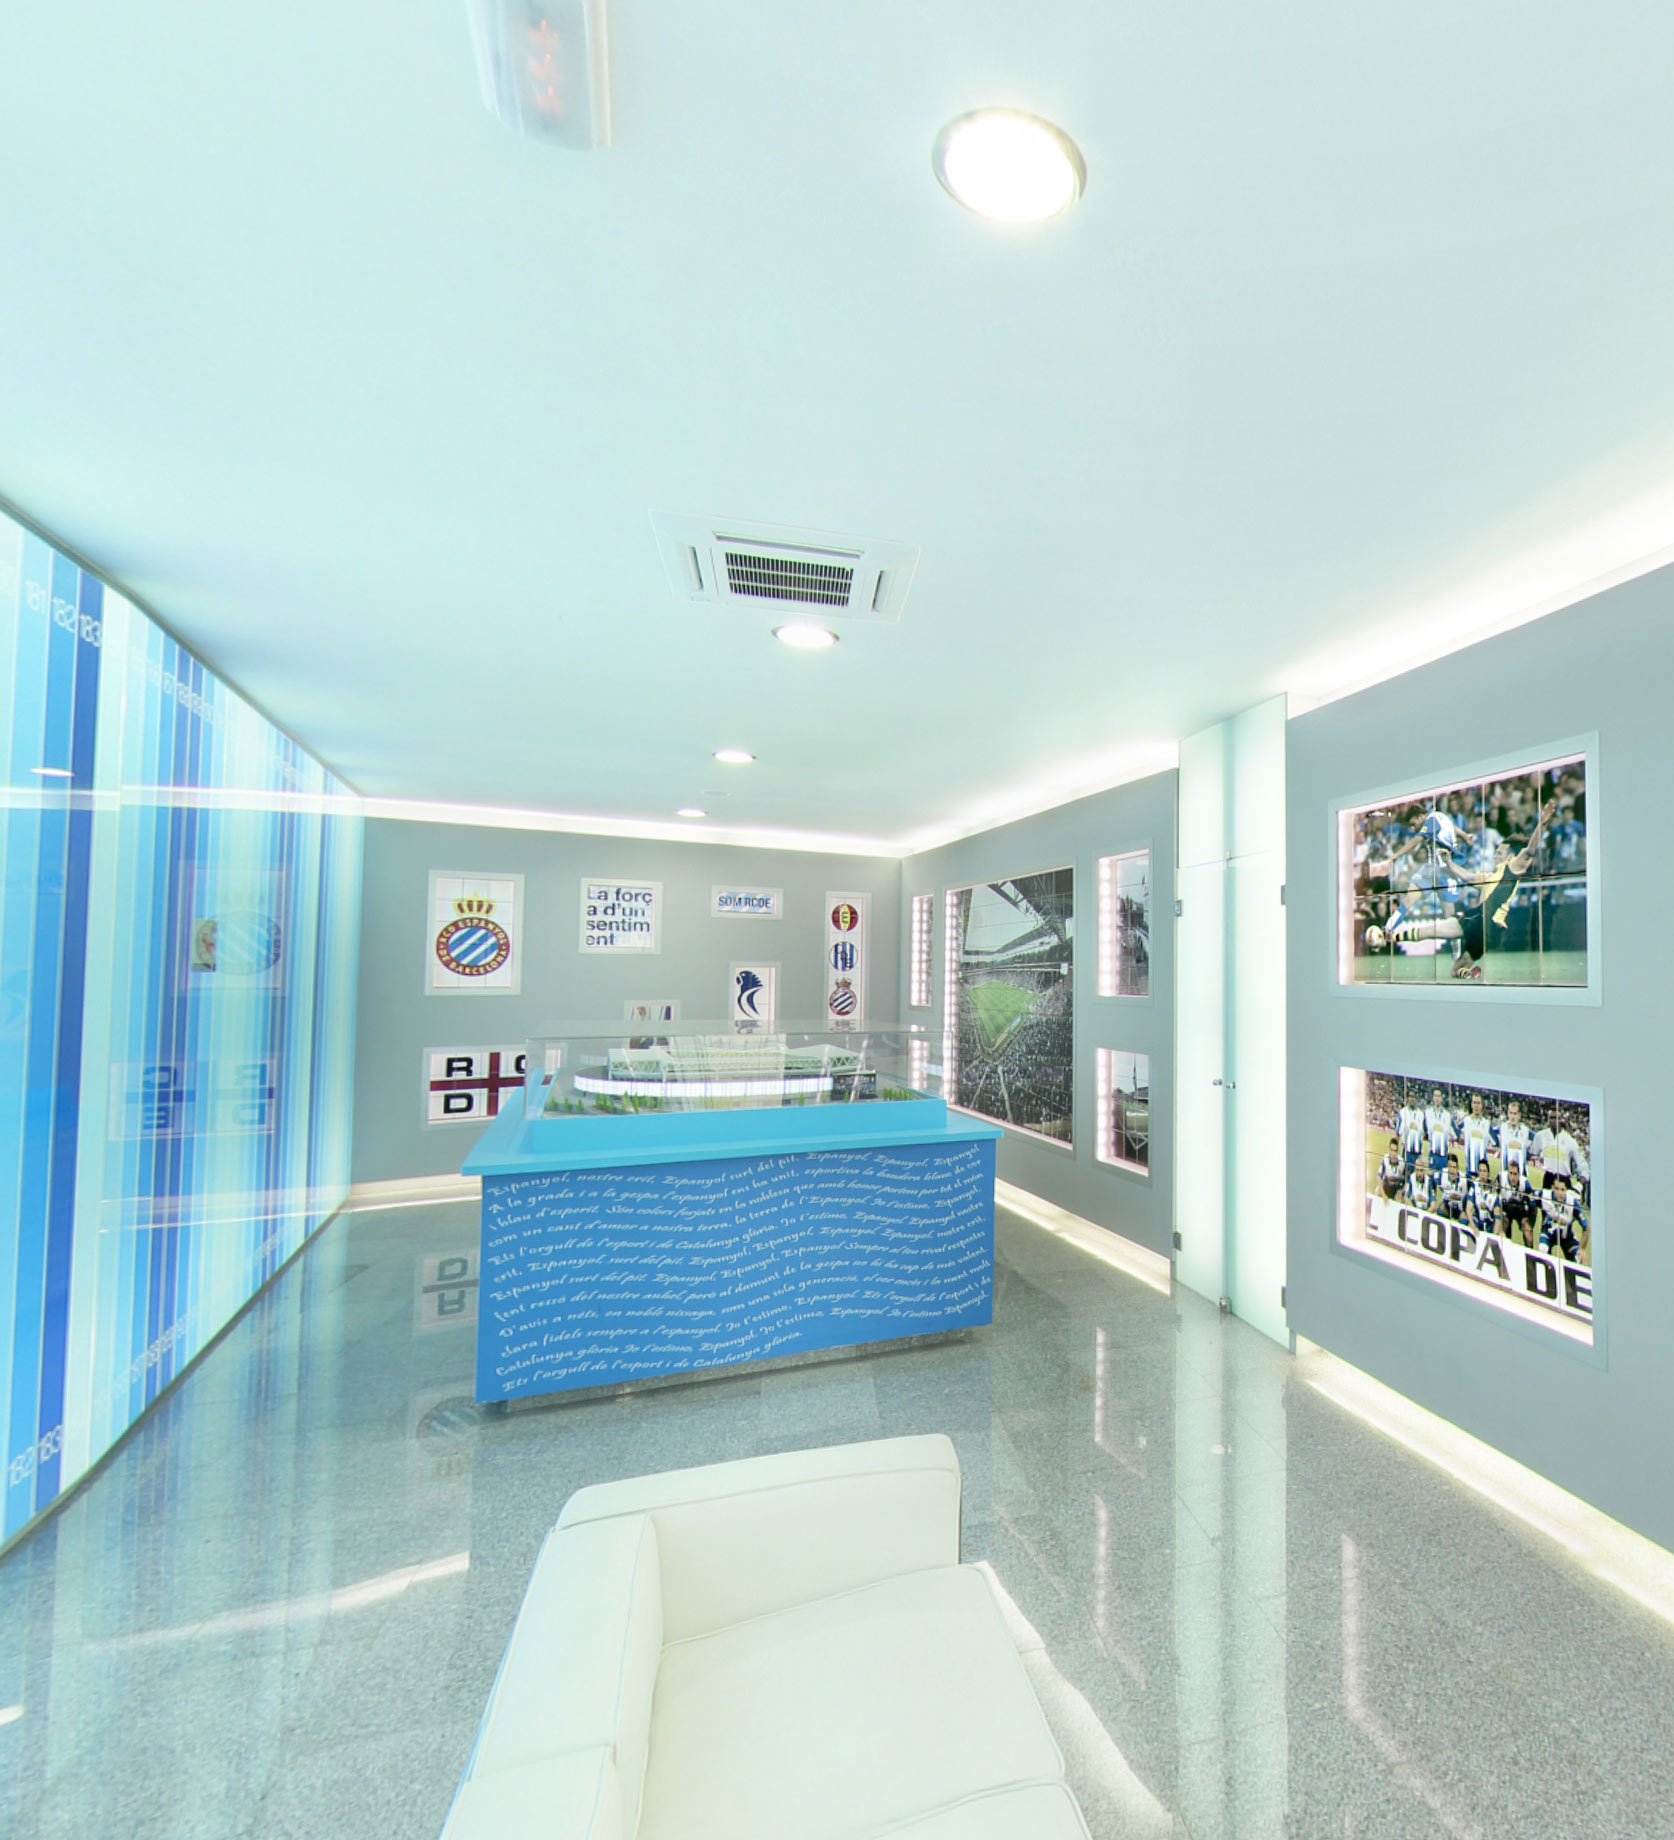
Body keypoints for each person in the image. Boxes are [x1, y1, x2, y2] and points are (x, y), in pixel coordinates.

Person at [1386, 798, 1557, 980]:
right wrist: (1449, 863)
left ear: (1510, 856)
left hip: (1479, 920)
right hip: (1493, 934)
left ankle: (1389, 937)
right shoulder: (1489, 878)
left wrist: (1542, 823)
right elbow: (1466, 876)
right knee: (1455, 970)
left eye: (1499, 852)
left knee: (1431, 931)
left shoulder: (1512, 868)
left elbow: (1530, 850)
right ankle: (1466, 972)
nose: (1496, 855)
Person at [1539, 1177, 1584, 1264]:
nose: (1560, 1193)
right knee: (1542, 1249)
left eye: (1562, 1190)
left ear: (1567, 1190)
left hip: (1567, 1236)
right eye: (1557, 1189)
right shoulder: (1544, 1195)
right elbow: (1530, 1197)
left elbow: (1586, 1227)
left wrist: (1581, 1249)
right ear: (1552, 1188)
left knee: (1579, 1258)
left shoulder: (1573, 1202)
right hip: (1548, 1233)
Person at [1499, 1156, 1539, 1247]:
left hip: (1520, 1209)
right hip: (1506, 1208)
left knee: (1528, 1233)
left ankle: (1529, 1252)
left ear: (1519, 1174)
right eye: (1511, 1173)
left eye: (1515, 1174)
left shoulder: (1525, 1183)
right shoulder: (1501, 1178)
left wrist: (1530, 1224)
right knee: (1503, 1225)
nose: (1513, 1177)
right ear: (1507, 1172)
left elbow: (1533, 1205)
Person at [1458, 1093, 1494, 1178]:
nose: (1476, 1106)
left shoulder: (1486, 1124)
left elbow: (1495, 1141)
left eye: (1478, 1103)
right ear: (1471, 1105)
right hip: (1468, 1169)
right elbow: (1456, 1132)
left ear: (1482, 1106)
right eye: (1474, 1102)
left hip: (1482, 1173)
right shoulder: (1466, 1121)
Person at [1497, 1099, 1534, 1179]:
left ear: (1519, 1115)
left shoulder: (1525, 1130)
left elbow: (1536, 1141)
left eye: (1515, 1113)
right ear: (1508, 1114)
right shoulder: (1502, 1128)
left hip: (1521, 1174)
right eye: (1511, 1113)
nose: (1513, 1116)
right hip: (1505, 1172)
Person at [1423, 1087, 1454, 1177]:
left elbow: (1455, 1135)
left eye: (1439, 1096)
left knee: (1442, 1179)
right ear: (1433, 1098)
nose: (1437, 1098)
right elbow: (1425, 1130)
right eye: (1435, 1096)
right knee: (1430, 1178)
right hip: (1432, 1154)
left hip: (1443, 1156)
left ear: (1442, 1098)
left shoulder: (1447, 1116)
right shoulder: (1427, 1113)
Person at [1436, 1154, 1468, 1221]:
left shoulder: (1464, 1178)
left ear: (1457, 1168)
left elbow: (1475, 1183)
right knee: (1440, 1210)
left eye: (1454, 1167)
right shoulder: (1442, 1174)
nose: (1452, 1170)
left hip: (1459, 1209)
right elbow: (1432, 1177)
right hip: (1447, 1206)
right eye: (1450, 1167)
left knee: (1464, 1220)